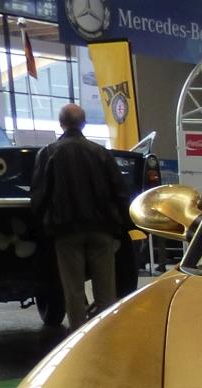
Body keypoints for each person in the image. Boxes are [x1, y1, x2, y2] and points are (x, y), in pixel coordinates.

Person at [30, 103, 131, 330]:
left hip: (66, 231)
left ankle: (78, 333)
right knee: (106, 289)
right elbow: (120, 191)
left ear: (61, 124)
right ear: (84, 124)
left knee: (73, 289)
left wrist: (40, 227)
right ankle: (105, 333)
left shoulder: (48, 153)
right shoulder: (101, 153)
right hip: (102, 230)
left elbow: (39, 195)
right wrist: (122, 227)